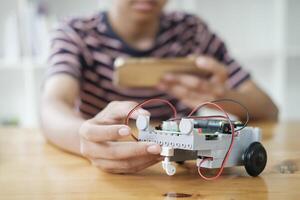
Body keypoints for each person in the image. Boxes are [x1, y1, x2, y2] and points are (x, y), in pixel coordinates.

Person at [41, 0, 278, 174]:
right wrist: (84, 140)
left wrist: (220, 95)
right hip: (96, 172)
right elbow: (52, 104)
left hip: (182, 175)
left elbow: (269, 109)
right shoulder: (75, 33)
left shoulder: (192, 32)